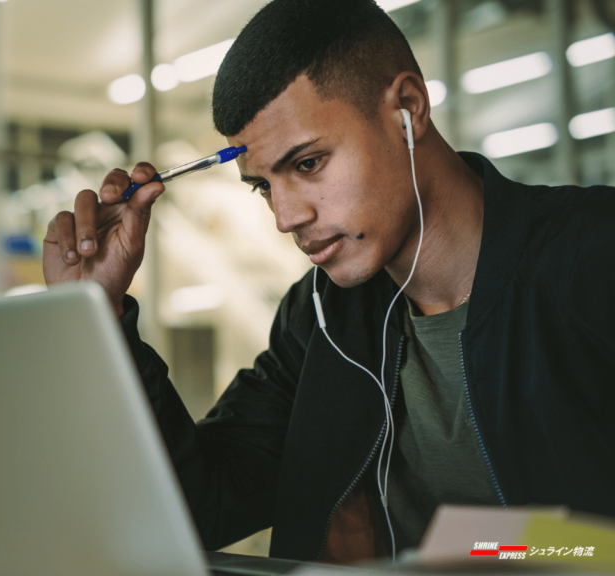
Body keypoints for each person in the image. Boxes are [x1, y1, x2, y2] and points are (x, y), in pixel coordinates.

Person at [42, 0, 615, 564]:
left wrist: (472, 551)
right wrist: (101, 313)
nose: (286, 216)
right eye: (263, 185)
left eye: (308, 163)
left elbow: (596, 543)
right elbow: (200, 506)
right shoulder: (319, 315)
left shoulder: (593, 259)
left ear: (408, 108)